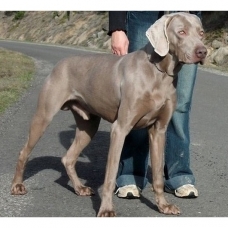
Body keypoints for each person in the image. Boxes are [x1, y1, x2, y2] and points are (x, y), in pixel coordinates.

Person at [108, 11, 201, 199]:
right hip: (144, 13)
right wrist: (117, 27)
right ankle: (131, 173)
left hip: (188, 13)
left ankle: (179, 174)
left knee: (180, 104)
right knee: (138, 102)